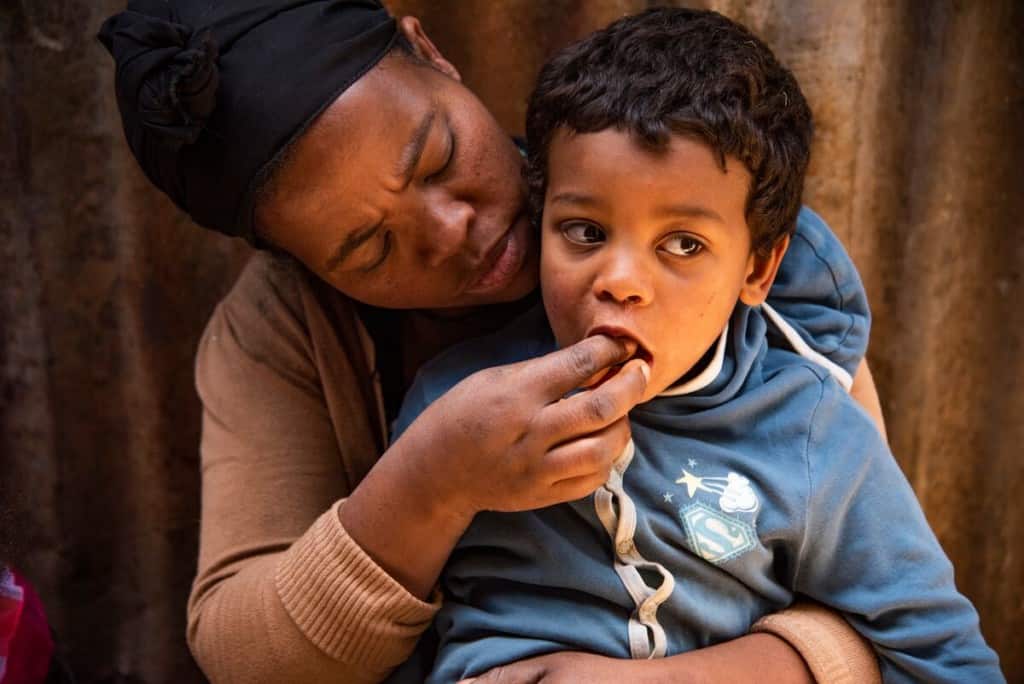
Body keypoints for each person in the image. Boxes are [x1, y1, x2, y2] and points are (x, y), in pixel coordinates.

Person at [97, 1, 889, 681]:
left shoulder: (711, 238)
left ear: (434, 53)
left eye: (439, 156)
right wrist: (434, 482)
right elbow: (242, 655)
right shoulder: (279, 332)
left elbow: (889, 605)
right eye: (369, 249)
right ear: (299, 262)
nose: (455, 229)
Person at [390, 8, 1002, 684]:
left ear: (757, 270)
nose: (620, 282)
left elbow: (943, 656)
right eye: (585, 232)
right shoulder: (454, 407)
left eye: (683, 245)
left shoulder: (810, 432)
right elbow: (389, 645)